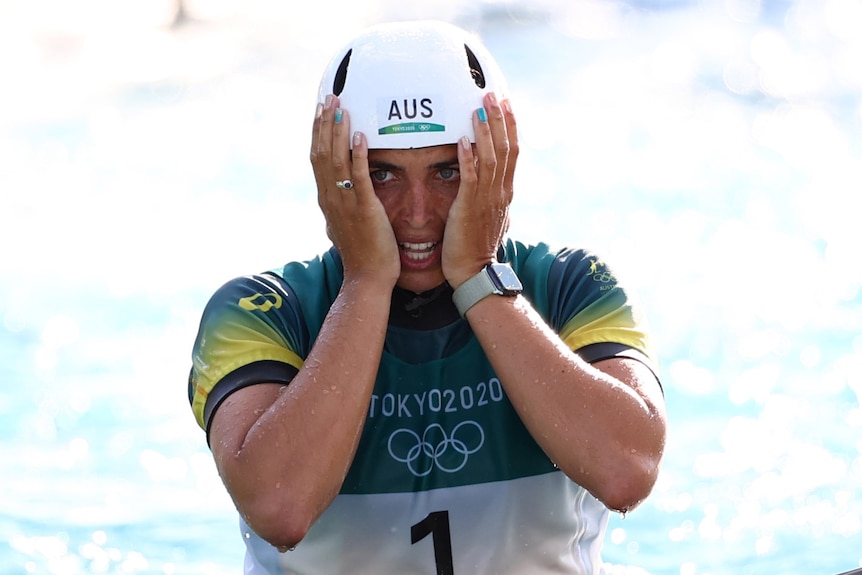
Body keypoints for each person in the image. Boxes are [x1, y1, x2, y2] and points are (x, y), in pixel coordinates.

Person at [188, 19, 666, 575]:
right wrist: (365, 281)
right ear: (332, 175)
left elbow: (629, 472)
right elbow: (280, 506)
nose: (418, 213)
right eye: (383, 175)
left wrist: (479, 276)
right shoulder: (260, 312)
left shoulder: (569, 287)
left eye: (446, 171)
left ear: (497, 165)